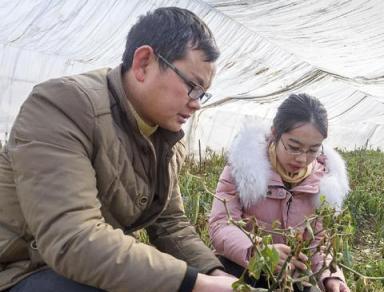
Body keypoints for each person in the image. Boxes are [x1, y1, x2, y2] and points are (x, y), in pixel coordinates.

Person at [0, 7, 236, 292]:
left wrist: (216, 273)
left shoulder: (168, 140)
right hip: (19, 269)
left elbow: (169, 222)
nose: (197, 103)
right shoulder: (64, 105)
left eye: (203, 93)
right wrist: (195, 284)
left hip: (75, 268)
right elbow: (72, 239)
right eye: (192, 86)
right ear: (143, 62)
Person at [209, 93, 351, 292]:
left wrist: (332, 278)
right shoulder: (243, 169)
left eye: (313, 150)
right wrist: (257, 252)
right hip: (240, 267)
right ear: (275, 133)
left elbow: (318, 243)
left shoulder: (324, 184)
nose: (302, 158)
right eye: (294, 147)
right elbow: (220, 225)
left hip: (291, 275)